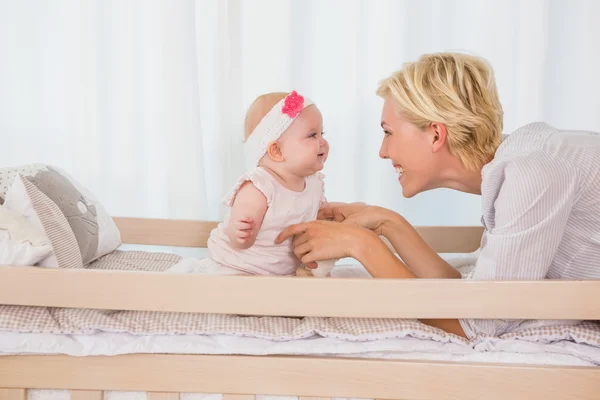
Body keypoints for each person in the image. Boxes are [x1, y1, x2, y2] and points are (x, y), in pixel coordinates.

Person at [276, 52, 600, 339]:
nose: (382, 151)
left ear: (435, 134)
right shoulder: (519, 168)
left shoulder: (533, 173)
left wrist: (359, 244)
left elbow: (477, 325)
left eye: (388, 132)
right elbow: (470, 298)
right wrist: (388, 223)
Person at [173, 90, 331, 277]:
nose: (322, 141)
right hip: (238, 267)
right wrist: (240, 232)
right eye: (312, 135)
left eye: (322, 133)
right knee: (237, 296)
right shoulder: (260, 185)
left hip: (281, 271)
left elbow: (317, 216)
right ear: (277, 151)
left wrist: (332, 218)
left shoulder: (314, 184)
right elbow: (241, 222)